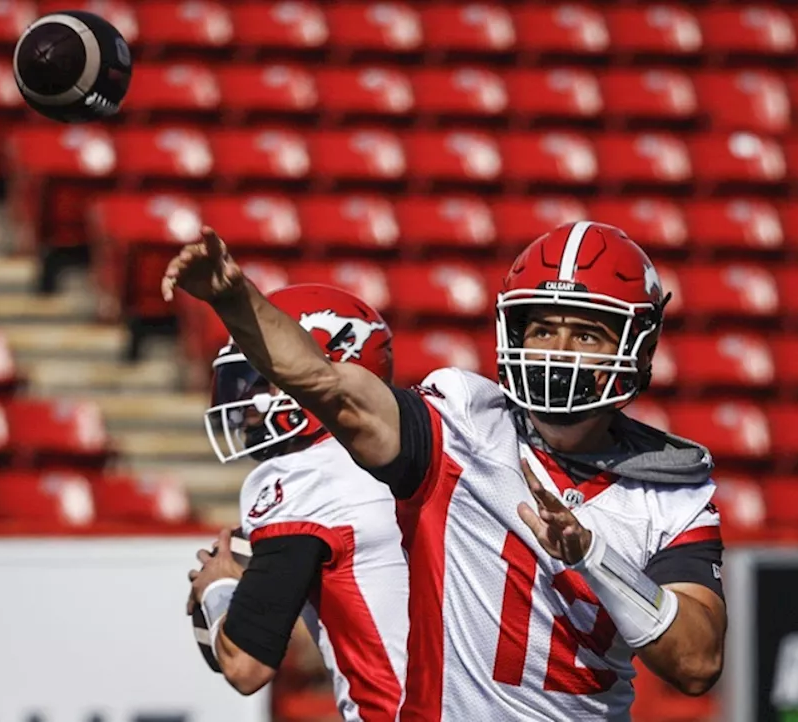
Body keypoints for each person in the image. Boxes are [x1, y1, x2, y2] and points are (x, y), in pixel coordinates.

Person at [167, 221, 727, 721]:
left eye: (585, 333)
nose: (557, 351)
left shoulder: (671, 490)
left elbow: (697, 662)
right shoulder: (465, 423)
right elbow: (330, 386)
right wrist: (235, 299)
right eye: (541, 330)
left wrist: (594, 559)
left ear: (640, 344)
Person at [187, 284, 409, 722]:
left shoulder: (306, 478)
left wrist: (217, 589)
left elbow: (244, 666)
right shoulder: (429, 448)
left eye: (265, 379)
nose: (248, 403)